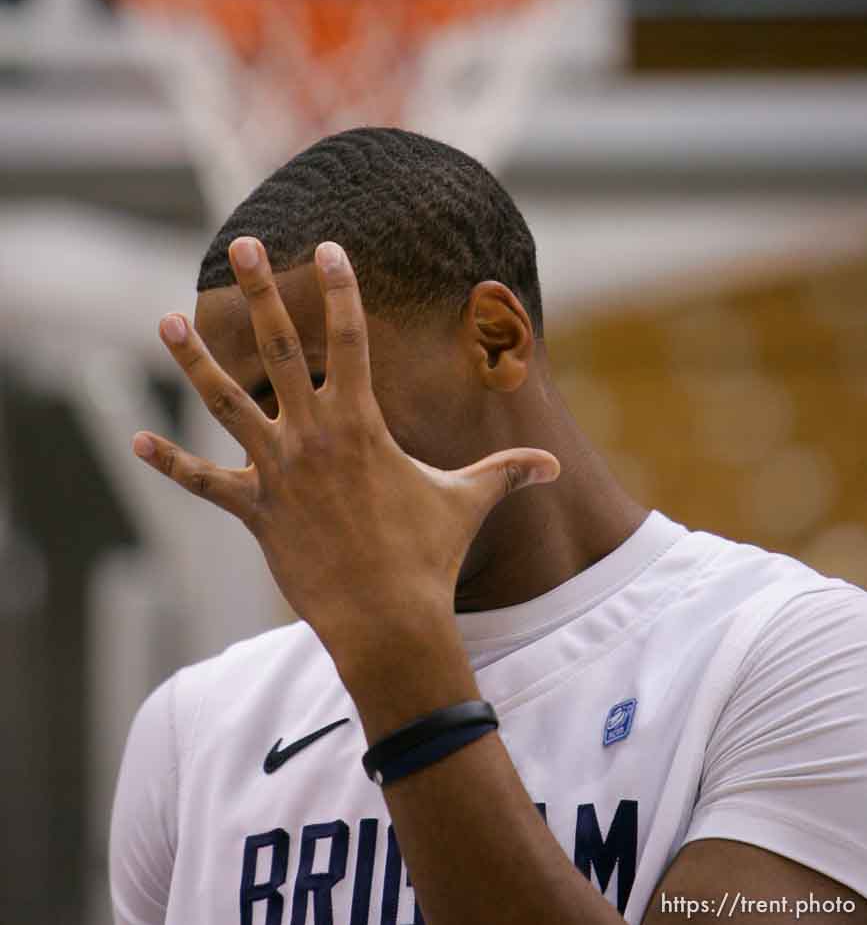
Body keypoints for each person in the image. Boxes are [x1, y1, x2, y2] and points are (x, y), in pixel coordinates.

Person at [111, 127, 867, 925]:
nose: (290, 457)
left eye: (319, 388)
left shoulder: (798, 660)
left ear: (496, 340)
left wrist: (394, 652)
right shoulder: (196, 725)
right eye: (251, 414)